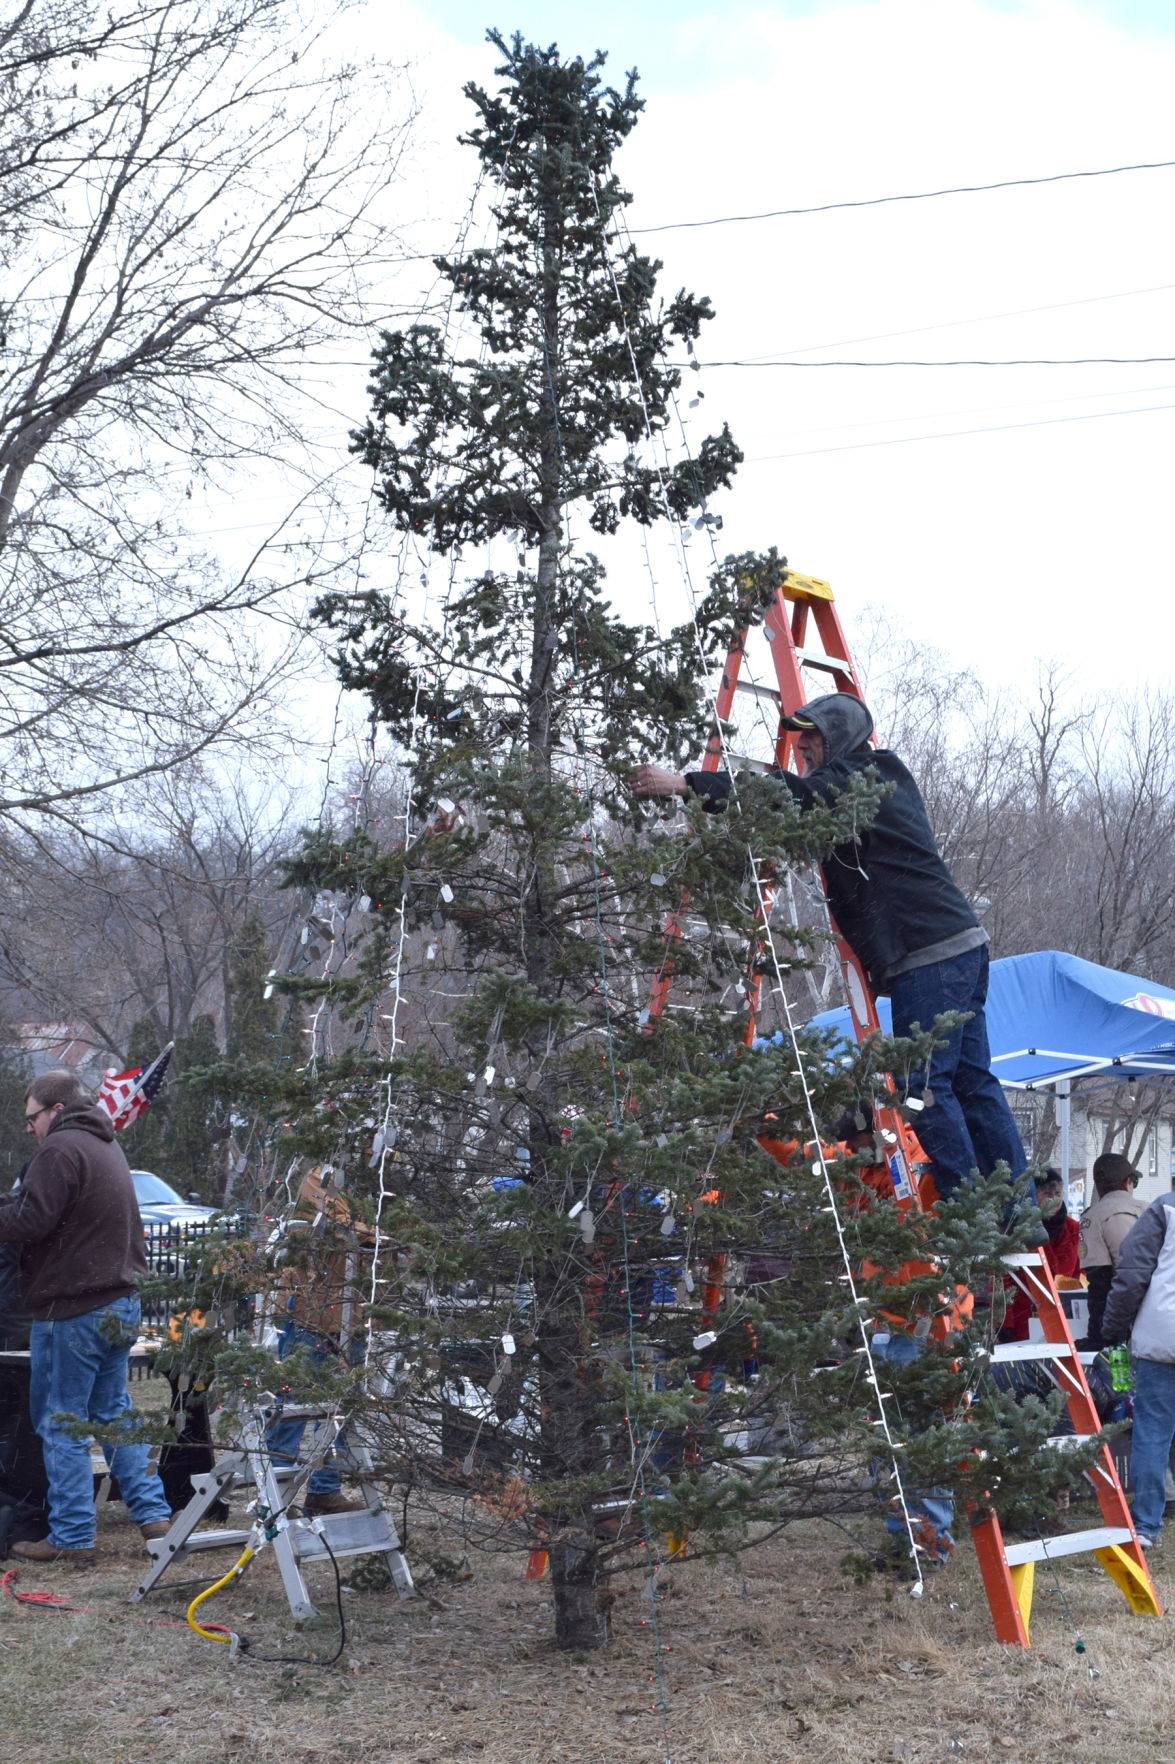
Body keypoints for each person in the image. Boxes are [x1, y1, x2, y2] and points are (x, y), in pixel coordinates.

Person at [631, 692, 1031, 1212]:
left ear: (839, 738)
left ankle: (970, 1207)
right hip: (958, 948)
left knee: (920, 1088)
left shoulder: (859, 776)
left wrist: (687, 785)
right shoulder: (875, 782)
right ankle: (1016, 1208)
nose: (803, 748)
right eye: (799, 739)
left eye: (813, 738)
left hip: (927, 954)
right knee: (971, 1081)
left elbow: (787, 797)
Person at [0, 1070, 172, 1565]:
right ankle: (153, 1516)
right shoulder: (103, 1145)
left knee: (61, 1424)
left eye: (31, 1117)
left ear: (55, 1110)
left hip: (73, 1309)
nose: (28, 1128)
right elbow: (48, 1211)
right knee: (113, 1415)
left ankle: (72, 1537)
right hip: (118, 1301)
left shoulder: (59, 1150)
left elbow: (32, 1220)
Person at [1102, 1186, 1175, 1546]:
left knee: (1153, 1432)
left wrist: (1113, 1329)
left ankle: (1146, 1525)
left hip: (1164, 1339)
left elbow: (1131, 1276)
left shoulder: (1164, 1210)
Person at [1002, 1168, 1080, 1341]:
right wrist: (1005, 1322)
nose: (1053, 1199)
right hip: (1024, 1318)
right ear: (1034, 1195)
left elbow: (1080, 1274)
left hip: (1063, 1316)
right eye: (1046, 1193)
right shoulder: (1019, 1229)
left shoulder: (1073, 1229)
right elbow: (1002, 1278)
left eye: (1057, 1193)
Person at [1080, 1152, 1145, 1350]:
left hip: (1127, 1314)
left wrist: (1097, 1338)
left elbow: (1099, 1283)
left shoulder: (1092, 1218)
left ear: (1098, 1187)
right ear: (1128, 1182)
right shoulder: (1153, 1210)